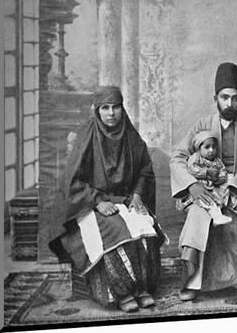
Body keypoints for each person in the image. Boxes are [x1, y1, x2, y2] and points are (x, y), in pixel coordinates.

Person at [49, 86, 164, 313]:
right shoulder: (87, 136)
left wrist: (139, 195)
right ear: (97, 111)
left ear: (122, 109)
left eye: (116, 107)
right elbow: (72, 181)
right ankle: (121, 293)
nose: (111, 113)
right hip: (90, 204)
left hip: (126, 199)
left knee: (144, 226)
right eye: (105, 108)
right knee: (116, 232)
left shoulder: (131, 136)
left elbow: (145, 170)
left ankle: (142, 289)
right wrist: (97, 201)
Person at [170, 62, 237, 301]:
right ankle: (194, 282)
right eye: (225, 97)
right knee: (199, 218)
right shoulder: (202, 125)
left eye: (235, 98)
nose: (230, 103)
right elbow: (178, 157)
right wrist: (192, 185)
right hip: (205, 188)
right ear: (215, 98)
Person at [187, 130, 232, 226]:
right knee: (207, 200)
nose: (211, 150)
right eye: (207, 147)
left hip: (213, 187)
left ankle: (218, 216)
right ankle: (217, 217)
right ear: (199, 149)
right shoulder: (196, 158)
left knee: (218, 197)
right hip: (201, 187)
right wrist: (206, 172)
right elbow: (191, 169)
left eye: (214, 147)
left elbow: (223, 172)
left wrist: (218, 178)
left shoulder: (217, 161)